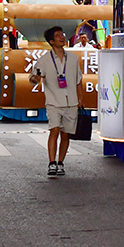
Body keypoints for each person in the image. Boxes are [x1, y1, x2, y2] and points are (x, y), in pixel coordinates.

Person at [29, 27, 84, 176]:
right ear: (51, 41)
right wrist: (35, 79)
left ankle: (61, 162)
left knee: (65, 134)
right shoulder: (45, 60)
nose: (62, 37)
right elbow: (34, 78)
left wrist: (80, 99)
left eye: (63, 35)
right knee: (54, 130)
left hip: (71, 101)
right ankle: (51, 163)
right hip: (53, 101)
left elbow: (78, 80)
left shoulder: (73, 58)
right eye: (58, 35)